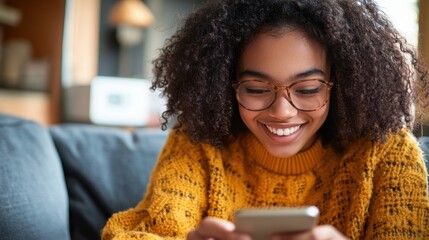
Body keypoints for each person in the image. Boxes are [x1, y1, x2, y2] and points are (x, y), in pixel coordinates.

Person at [102, 0, 429, 239]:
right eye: (256, 88)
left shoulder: (386, 151)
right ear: (225, 86)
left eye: (308, 88)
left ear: (342, 83)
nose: (282, 111)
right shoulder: (198, 143)